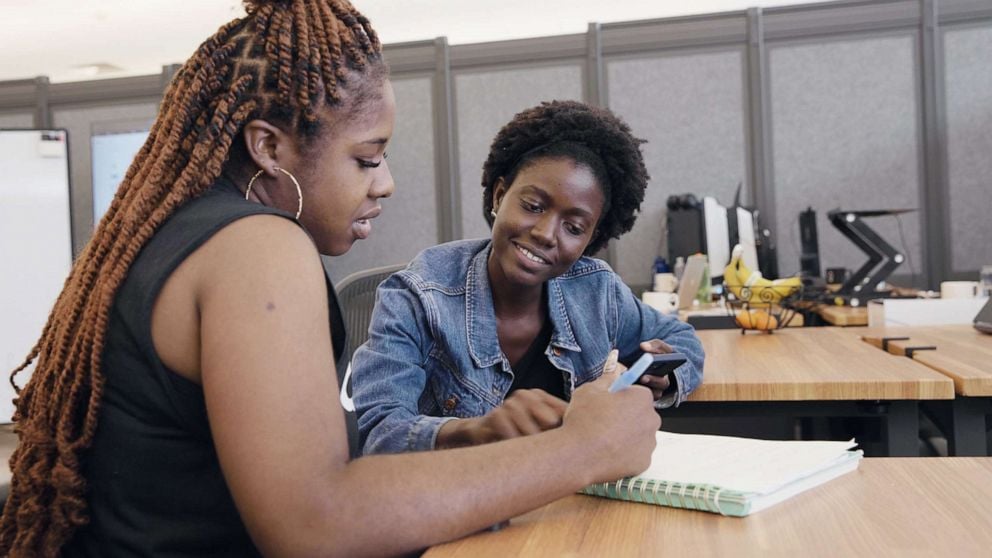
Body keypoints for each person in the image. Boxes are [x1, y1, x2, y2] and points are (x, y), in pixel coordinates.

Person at [0, 2, 661, 557]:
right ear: (268, 148)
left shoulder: (182, 232)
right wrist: (585, 450)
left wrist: (472, 439)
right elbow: (314, 523)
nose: (385, 183)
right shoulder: (257, 247)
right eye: (366, 158)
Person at [351, 100, 704, 455]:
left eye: (574, 227)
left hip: (565, 496)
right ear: (500, 195)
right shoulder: (418, 297)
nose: (546, 234)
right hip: (458, 504)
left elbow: (681, 338)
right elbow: (381, 433)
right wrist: (478, 431)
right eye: (533, 206)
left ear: (590, 240)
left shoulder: (596, 291)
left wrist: (666, 374)